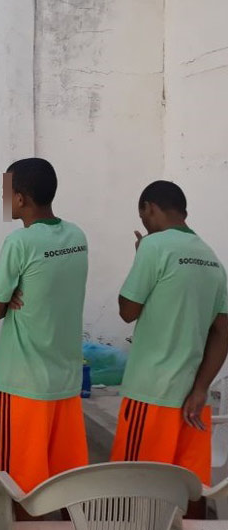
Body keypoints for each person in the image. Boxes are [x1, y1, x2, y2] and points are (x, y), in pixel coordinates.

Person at [112, 181, 227, 504]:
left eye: (143, 215)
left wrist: (140, 258)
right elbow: (223, 332)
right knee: (191, 494)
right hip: (194, 402)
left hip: (150, 395)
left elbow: (127, 310)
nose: (145, 224)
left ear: (150, 208)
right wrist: (202, 387)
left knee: (132, 492)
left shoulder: (154, 247)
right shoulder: (212, 258)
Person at [0, 158, 89, 493]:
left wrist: (12, 291)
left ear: (20, 199)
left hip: (23, 385)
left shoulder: (20, 243)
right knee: (61, 483)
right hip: (66, 381)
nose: (4, 199)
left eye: (6, 191)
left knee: (18, 486)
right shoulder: (77, 236)